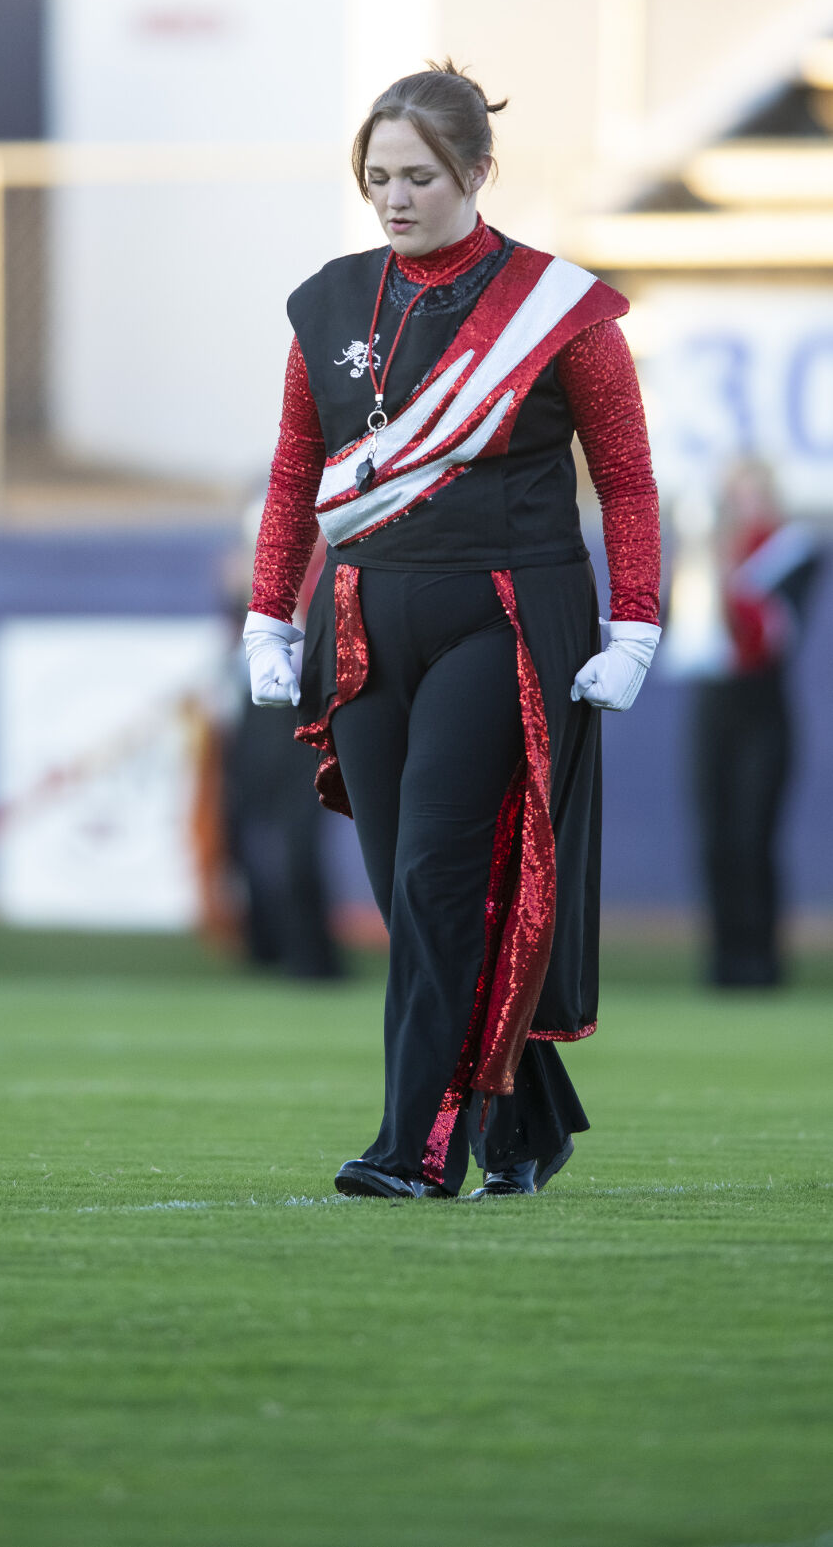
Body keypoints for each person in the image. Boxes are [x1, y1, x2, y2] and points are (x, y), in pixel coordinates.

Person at [242, 62, 661, 1200]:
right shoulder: (326, 299)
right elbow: (294, 473)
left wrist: (634, 622)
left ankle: (413, 1147)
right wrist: (265, 612)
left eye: (418, 175)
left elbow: (623, 479)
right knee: (404, 884)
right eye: (375, 176)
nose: (393, 197)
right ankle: (525, 1116)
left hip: (508, 612)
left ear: (476, 170)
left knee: (436, 873)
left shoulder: (557, 307)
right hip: (365, 615)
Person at [689, 460, 821, 988]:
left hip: (763, 711)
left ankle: (760, 962)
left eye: (752, 493)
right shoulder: (706, 554)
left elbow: (774, 634)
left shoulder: (792, 552)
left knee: (752, 836)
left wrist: (725, 574)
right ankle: (723, 961)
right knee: (715, 837)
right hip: (712, 707)